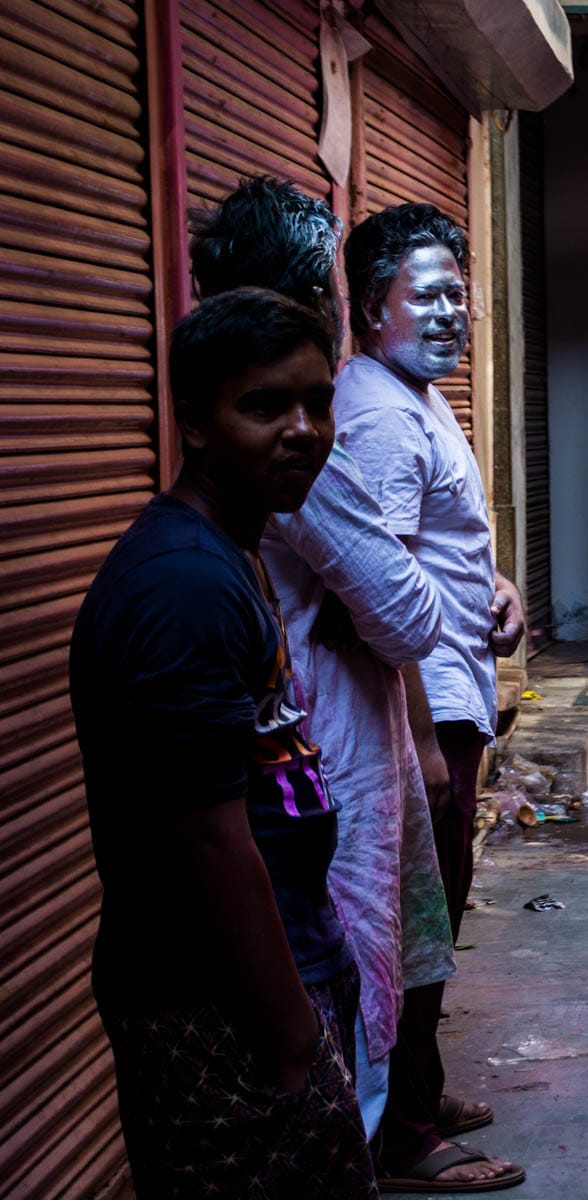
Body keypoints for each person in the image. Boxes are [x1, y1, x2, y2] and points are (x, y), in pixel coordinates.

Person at [71, 288, 375, 1197]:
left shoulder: (228, 549)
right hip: (213, 1005)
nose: (303, 429)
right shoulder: (184, 585)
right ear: (196, 423)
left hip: (260, 979)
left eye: (318, 402)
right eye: (264, 406)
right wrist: (292, 1042)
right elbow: (207, 837)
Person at [188, 177, 459, 1148]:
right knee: (340, 1003)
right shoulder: (308, 437)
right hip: (321, 746)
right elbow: (409, 610)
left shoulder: (290, 419)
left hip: (324, 739)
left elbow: (392, 601)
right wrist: (385, 599)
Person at [336, 202, 526, 1191]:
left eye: (461, 294)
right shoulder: (370, 413)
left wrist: (494, 590)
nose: (454, 312)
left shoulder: (413, 396)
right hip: (426, 709)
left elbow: (435, 551)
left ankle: (419, 1086)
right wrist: (415, 746)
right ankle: (403, 1133)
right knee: (418, 918)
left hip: (454, 692)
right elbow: (376, 586)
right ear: (373, 310)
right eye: (429, 295)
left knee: (434, 911)